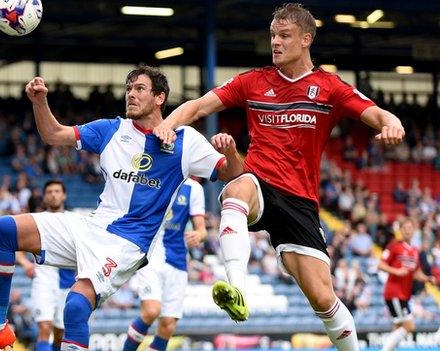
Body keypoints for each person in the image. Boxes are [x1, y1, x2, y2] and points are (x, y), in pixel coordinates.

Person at [152, 4, 405, 350]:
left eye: (284, 36)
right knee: (235, 190)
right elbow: (197, 106)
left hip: (300, 201)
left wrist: (393, 124)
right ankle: (237, 288)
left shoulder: (329, 87)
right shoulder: (253, 81)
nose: (275, 42)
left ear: (306, 39)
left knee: (323, 300)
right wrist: (166, 124)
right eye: (273, 35)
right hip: (259, 182)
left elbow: (377, 113)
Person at [0, 65, 243, 351]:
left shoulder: (186, 141)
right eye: (128, 89)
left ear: (160, 98)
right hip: (92, 225)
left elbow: (234, 174)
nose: (130, 95)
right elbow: (53, 135)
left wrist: (231, 152)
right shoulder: (111, 129)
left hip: (128, 242)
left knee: (75, 306)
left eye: (139, 89)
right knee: (2, 230)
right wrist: (39, 102)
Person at [122, 177, 206, 351]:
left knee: (168, 323)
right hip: (151, 254)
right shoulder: (156, 176)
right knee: (151, 310)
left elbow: (201, 228)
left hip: (178, 260)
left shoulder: (194, 188)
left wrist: (199, 234)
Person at [16, 180, 76, 351]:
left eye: (57, 191)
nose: (53, 195)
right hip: (43, 281)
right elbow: (17, 246)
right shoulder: (36, 220)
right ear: (44, 196)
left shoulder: (74, 220)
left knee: (60, 334)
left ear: (64, 195)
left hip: (67, 284)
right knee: (44, 328)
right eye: (49, 192)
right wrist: (25, 263)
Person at [378, 218, 436, 351]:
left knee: (398, 328)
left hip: (404, 293)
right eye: (405, 228)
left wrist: (427, 279)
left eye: (410, 228)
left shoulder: (415, 251)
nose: (408, 231)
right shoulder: (394, 246)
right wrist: (396, 271)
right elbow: (380, 265)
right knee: (410, 326)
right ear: (401, 230)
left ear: (414, 230)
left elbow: (415, 273)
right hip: (395, 292)